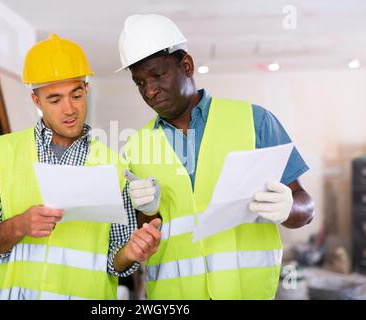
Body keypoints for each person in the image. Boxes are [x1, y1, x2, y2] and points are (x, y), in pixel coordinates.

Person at [117, 14, 315, 299]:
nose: (149, 90)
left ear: (186, 65)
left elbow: (305, 207)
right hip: (174, 296)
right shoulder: (135, 146)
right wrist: (147, 212)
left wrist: (288, 208)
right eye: (139, 83)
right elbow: (145, 234)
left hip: (246, 292)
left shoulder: (254, 121)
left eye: (158, 75)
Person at [0, 34, 161, 300]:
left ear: (86, 90)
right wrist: (18, 226)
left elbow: (114, 262)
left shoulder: (114, 165)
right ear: (36, 102)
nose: (70, 109)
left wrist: (131, 253)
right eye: (55, 100)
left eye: (76, 95)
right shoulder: (1, 152)